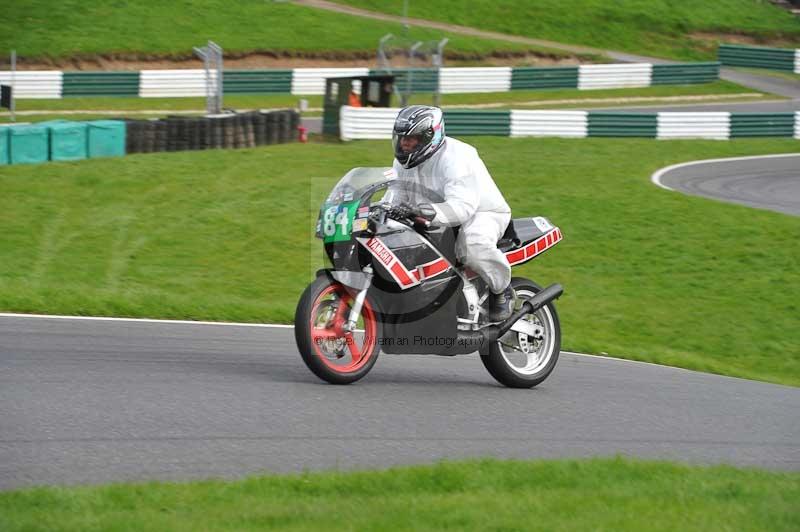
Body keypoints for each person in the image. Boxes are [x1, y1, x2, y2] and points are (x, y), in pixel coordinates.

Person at [387, 105, 514, 322]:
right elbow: (395, 196)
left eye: (412, 139)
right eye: (401, 138)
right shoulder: (403, 163)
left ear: (430, 137)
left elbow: (462, 207)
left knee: (472, 245)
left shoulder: (457, 157)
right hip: (433, 216)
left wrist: (421, 211)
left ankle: (502, 291)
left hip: (481, 213)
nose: (404, 144)